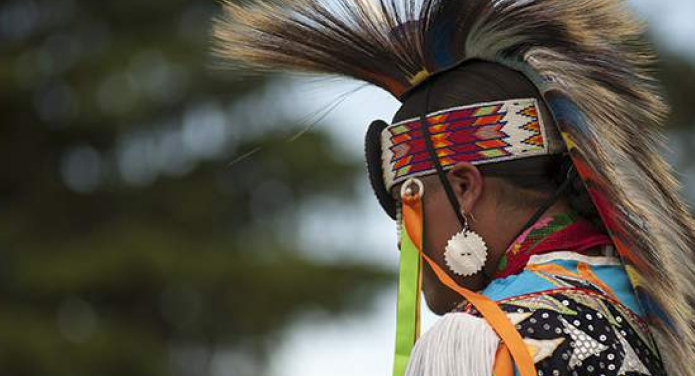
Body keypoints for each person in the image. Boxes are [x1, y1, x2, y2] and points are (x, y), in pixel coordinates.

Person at [213, 1, 695, 375]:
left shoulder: (481, 343)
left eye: (408, 206)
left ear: (464, 186)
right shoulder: (656, 322)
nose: (402, 241)